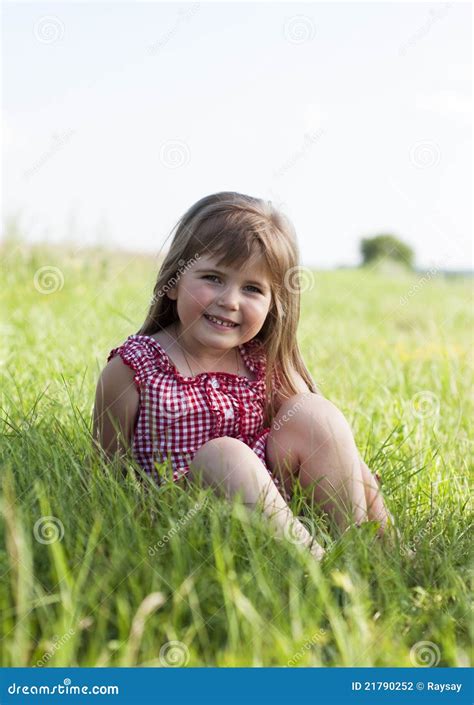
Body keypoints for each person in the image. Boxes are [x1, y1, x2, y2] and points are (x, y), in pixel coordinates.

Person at [93, 191, 391, 562]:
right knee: (226, 454)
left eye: (252, 288)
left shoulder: (262, 362)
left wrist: (375, 509)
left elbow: (327, 443)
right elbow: (106, 476)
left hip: (271, 505)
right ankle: (317, 563)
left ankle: (367, 548)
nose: (230, 300)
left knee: (316, 413)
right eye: (213, 278)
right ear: (173, 282)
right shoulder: (134, 369)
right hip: (187, 513)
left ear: (272, 304)